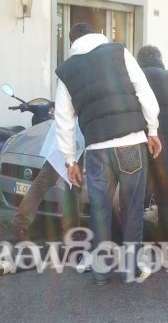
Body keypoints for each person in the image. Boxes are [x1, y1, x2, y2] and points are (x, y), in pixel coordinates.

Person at [55, 23, 161, 285]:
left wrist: (70, 160)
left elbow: (63, 119)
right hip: (131, 143)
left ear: (72, 42)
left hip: (96, 149)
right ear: (97, 33)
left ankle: (101, 271)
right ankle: (132, 268)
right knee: (132, 207)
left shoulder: (67, 71)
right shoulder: (118, 52)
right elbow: (142, 89)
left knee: (100, 209)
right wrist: (153, 129)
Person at [11, 111, 84, 242]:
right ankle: (70, 231)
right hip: (73, 134)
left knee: (53, 182)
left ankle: (20, 223)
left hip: (66, 132)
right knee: (71, 184)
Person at [135, 45, 168, 243]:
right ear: (160, 58)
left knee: (134, 200)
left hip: (138, 149)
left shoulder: (133, 80)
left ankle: (134, 247)